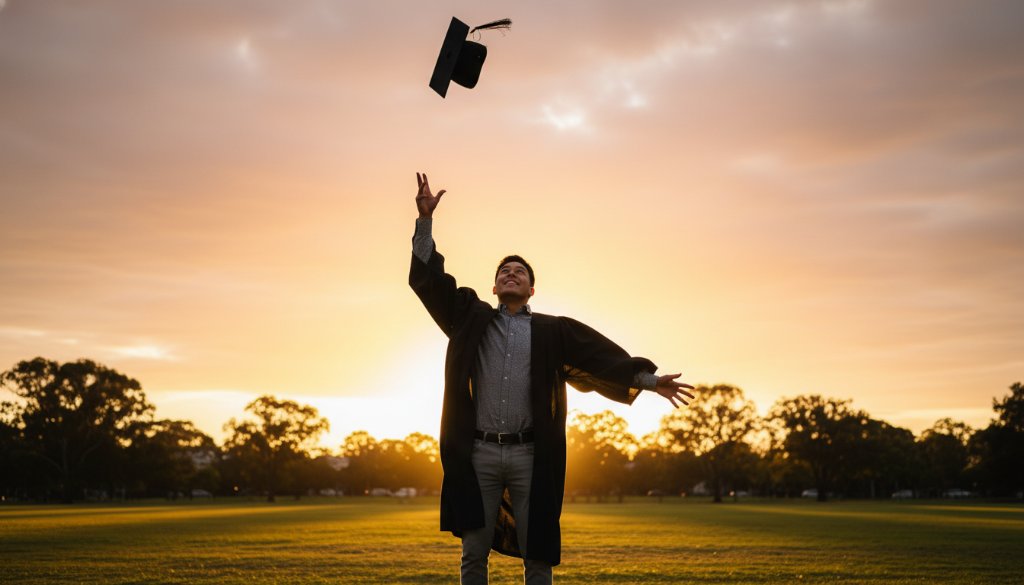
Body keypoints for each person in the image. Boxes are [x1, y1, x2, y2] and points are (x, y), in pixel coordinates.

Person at [408, 172, 695, 585]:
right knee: (473, 554)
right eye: (504, 270)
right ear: (493, 285)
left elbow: (601, 358)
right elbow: (429, 283)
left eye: (519, 272)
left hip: (531, 457)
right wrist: (425, 223)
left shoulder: (552, 331)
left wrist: (649, 381)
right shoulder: (470, 318)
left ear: (531, 289)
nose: (511, 273)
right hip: (478, 455)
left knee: (538, 555)